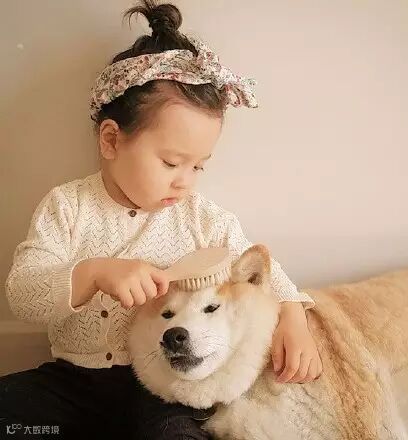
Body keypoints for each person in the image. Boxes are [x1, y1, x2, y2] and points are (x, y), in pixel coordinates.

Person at [1, 1, 322, 439]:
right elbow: (23, 294)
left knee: (173, 432)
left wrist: (294, 318)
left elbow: (265, 273)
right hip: (73, 382)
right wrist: (93, 274)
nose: (184, 181)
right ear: (111, 140)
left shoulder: (202, 219)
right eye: (171, 162)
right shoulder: (68, 206)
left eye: (198, 166)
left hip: (162, 387)